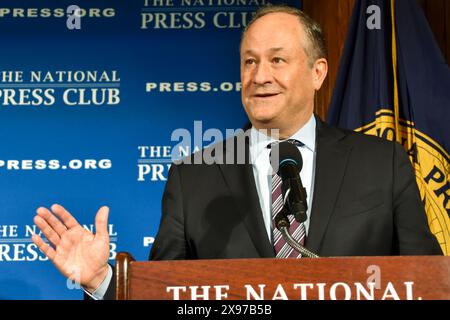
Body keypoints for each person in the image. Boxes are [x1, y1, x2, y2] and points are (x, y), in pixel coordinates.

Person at [31, 5, 442, 300]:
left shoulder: (382, 163)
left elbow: (429, 285)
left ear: (318, 73)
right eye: (249, 62)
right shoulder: (194, 177)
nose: (260, 76)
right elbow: (165, 293)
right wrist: (102, 281)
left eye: (277, 60)